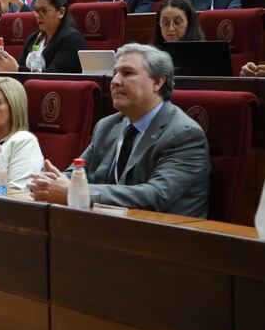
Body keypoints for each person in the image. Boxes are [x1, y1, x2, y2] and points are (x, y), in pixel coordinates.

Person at [28, 43, 211, 218]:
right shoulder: (107, 126)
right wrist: (49, 182)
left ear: (157, 82)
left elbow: (155, 195)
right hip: (106, 226)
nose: (115, 81)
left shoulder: (184, 134)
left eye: (127, 73)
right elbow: (76, 174)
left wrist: (78, 192)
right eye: (115, 73)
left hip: (164, 233)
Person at [0, 0, 86, 73]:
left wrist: (16, 70)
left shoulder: (72, 39)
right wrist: (3, 64)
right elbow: (20, 67)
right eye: (36, 11)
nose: (38, 16)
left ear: (61, 12)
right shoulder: (34, 38)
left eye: (43, 11)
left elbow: (56, 75)